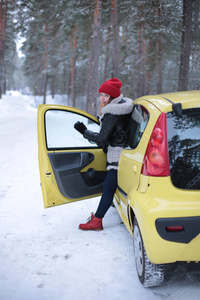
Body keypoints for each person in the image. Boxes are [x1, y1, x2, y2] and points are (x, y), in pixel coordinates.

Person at [74, 78, 133, 231]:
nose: (102, 98)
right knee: (111, 185)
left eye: (106, 95)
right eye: (101, 94)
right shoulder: (123, 108)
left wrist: (84, 132)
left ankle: (97, 220)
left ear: (113, 97)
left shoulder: (111, 113)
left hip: (117, 155)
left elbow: (101, 139)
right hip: (126, 151)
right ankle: (109, 208)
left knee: (108, 186)